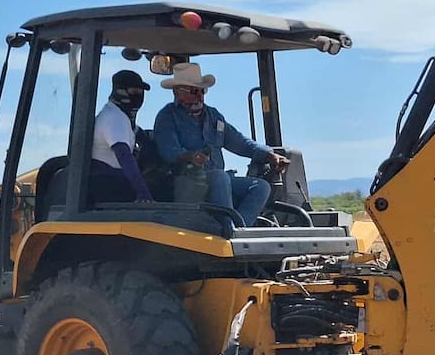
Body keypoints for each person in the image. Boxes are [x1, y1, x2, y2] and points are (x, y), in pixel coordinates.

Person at [152, 62, 288, 230]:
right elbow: (168, 151)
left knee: (260, 187)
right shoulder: (167, 116)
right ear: (177, 92)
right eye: (194, 91)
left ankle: (239, 230)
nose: (200, 95)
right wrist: (190, 157)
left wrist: (270, 155)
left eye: (203, 90)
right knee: (220, 176)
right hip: (185, 181)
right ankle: (228, 229)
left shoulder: (213, 116)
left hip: (216, 179)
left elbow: (241, 143)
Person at [91, 70, 154, 204]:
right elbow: (124, 156)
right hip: (109, 185)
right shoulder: (114, 118)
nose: (139, 97)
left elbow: (139, 135)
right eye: (134, 92)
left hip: (111, 182)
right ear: (120, 92)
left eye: (141, 93)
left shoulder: (119, 116)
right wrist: (143, 192)